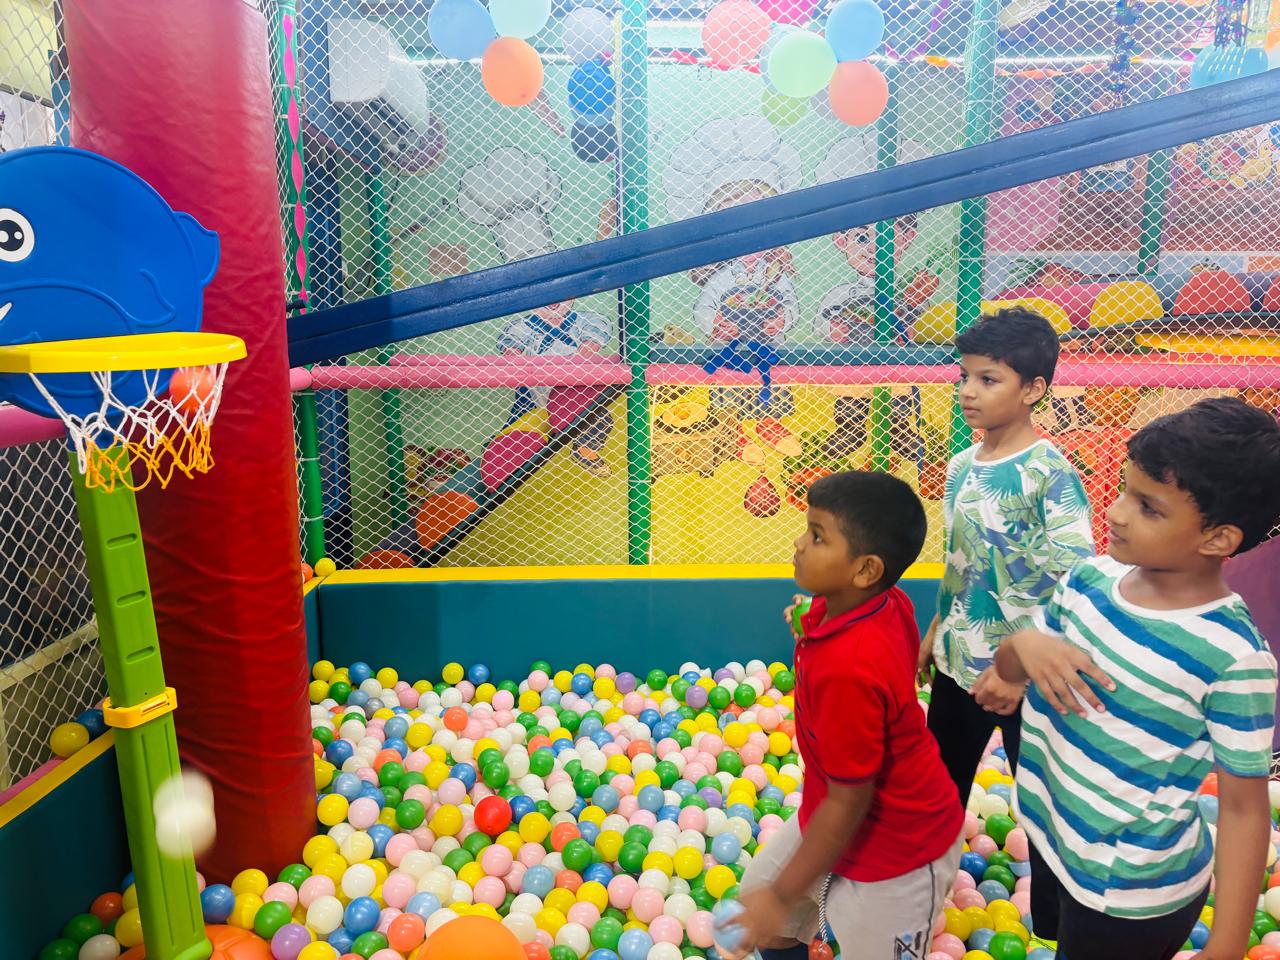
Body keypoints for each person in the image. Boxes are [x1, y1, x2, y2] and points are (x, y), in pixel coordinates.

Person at [989, 396, 1280, 960]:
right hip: (1056, 840)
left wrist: (1225, 944)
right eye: (1124, 490)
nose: (1116, 513)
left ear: (1218, 539)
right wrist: (1024, 645)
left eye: (1148, 507)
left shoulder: (1232, 656)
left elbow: (1245, 808)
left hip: (1129, 893)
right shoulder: (1089, 580)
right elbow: (1006, 675)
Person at [727, 471, 963, 960]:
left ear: (865, 570)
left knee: (773, 905)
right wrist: (808, 622)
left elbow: (848, 801)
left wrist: (781, 894)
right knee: (766, 917)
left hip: (900, 850)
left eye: (817, 537)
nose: (799, 543)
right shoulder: (886, 602)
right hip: (831, 818)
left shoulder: (848, 670)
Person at [919, 306, 1094, 806]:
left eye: (988, 379)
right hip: (959, 664)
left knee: (1042, 813)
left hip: (1029, 682)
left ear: (1033, 389)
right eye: (965, 377)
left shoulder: (1049, 474)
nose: (967, 391)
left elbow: (1075, 581)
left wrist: (1020, 674)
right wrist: (936, 632)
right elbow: (962, 565)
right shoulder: (960, 466)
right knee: (936, 798)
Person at [496, 299, 613, 477]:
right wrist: (514, 355)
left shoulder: (585, 321)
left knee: (600, 417)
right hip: (535, 390)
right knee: (517, 427)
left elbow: (596, 334)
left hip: (572, 387)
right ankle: (500, 458)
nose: (552, 301)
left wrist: (583, 353)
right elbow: (511, 344)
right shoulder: (523, 327)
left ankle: (584, 450)